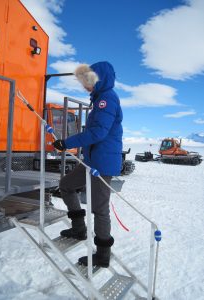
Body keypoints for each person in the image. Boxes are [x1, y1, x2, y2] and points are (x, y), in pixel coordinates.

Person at [53, 61, 123, 268]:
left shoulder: (107, 99)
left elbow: (98, 133)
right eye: (83, 82)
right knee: (66, 185)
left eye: (88, 82)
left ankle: (102, 254)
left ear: (97, 80)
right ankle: (78, 228)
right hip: (91, 161)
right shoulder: (99, 98)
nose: (84, 86)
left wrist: (67, 143)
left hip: (102, 163)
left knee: (100, 209)